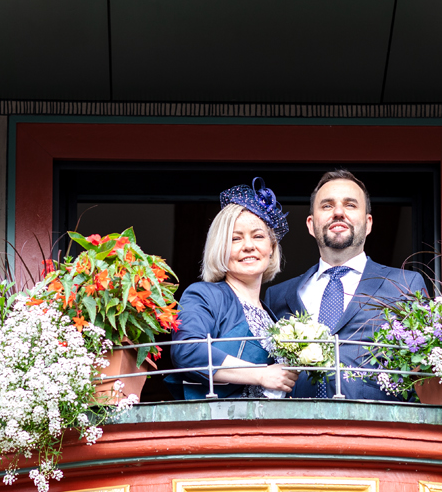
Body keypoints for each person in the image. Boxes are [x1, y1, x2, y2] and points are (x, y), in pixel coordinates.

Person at [266, 169, 427, 400]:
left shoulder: (405, 284)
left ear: (368, 223)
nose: (338, 212)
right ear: (311, 224)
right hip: (298, 428)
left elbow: (424, 372)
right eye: (327, 206)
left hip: (377, 429)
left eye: (350, 205)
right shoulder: (278, 295)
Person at [171, 178, 300, 398]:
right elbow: (187, 351)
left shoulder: (272, 316)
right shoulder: (203, 296)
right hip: (222, 425)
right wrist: (260, 374)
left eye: (258, 236)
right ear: (220, 248)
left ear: (271, 247)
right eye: (235, 239)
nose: (249, 246)